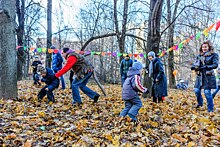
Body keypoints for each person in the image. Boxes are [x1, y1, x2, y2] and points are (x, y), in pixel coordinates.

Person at [191, 41, 218, 112]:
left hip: (208, 76)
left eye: (205, 47)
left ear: (209, 47)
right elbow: (196, 64)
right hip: (200, 76)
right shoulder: (199, 56)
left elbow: (215, 65)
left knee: (207, 92)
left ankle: (210, 109)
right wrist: (193, 67)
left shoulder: (214, 55)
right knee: (196, 90)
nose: (204, 48)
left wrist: (206, 67)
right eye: (203, 47)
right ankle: (200, 103)